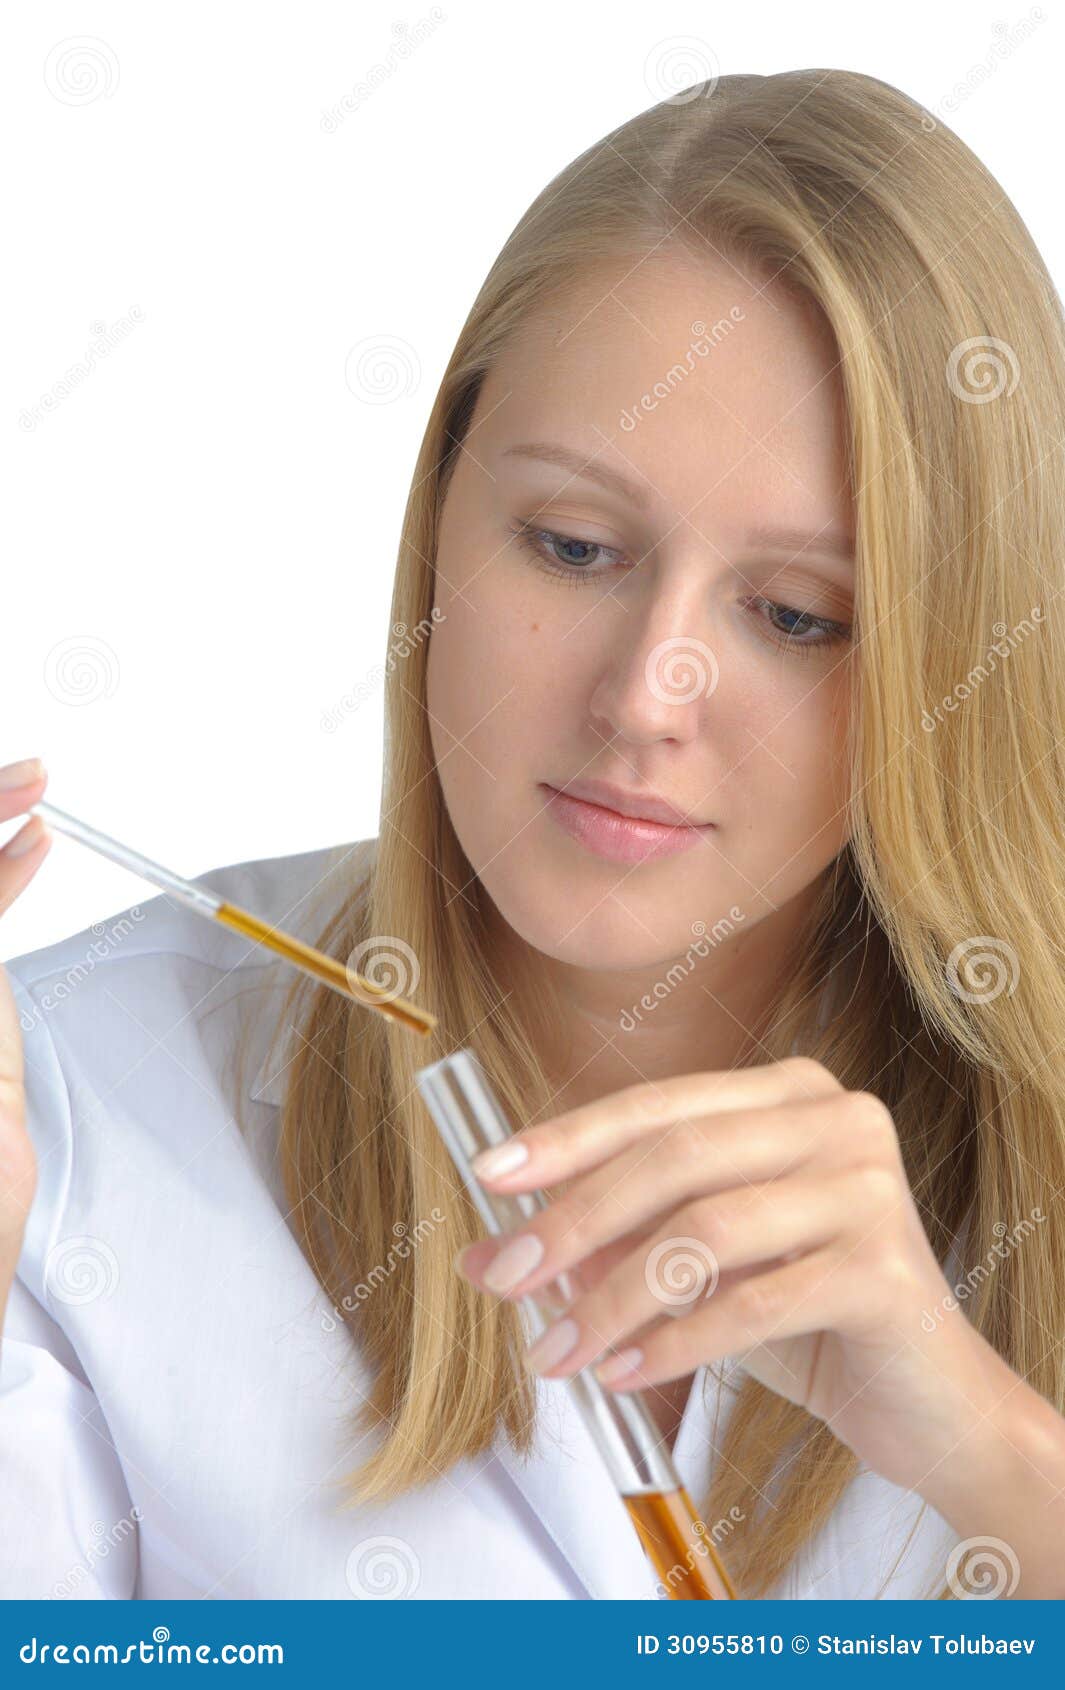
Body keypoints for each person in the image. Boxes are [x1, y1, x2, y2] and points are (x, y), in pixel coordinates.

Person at [3, 66, 1065, 1601]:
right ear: (440, 507)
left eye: (795, 614)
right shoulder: (72, 1102)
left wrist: (999, 1458)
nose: (643, 697)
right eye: (571, 545)